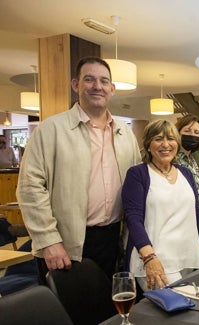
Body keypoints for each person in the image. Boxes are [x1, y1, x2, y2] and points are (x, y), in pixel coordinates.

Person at [17, 57, 141, 282]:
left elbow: (137, 187)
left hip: (112, 239)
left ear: (112, 89)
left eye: (104, 81)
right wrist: (49, 240)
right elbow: (29, 188)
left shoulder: (125, 133)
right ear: (76, 85)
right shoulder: (50, 130)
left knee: (107, 312)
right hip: (64, 243)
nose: (97, 86)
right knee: (66, 314)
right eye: (89, 79)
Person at [122, 120, 199, 292]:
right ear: (148, 145)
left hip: (187, 257)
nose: (166, 144)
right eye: (158, 139)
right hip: (154, 260)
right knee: (176, 310)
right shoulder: (138, 174)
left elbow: (197, 214)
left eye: (171, 139)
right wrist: (150, 258)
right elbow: (133, 219)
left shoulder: (185, 173)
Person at [175, 115, 199, 216]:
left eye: (196, 132)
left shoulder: (192, 160)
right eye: (187, 131)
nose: (192, 135)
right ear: (177, 133)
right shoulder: (173, 161)